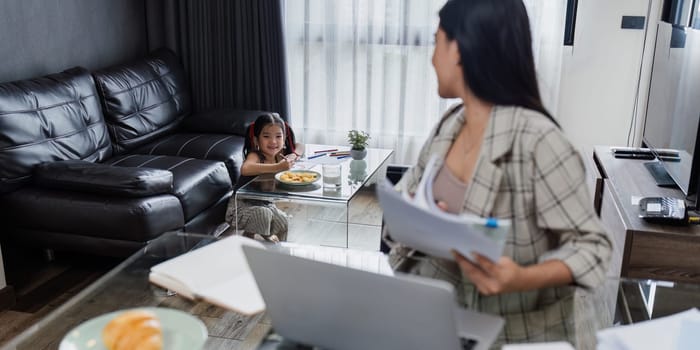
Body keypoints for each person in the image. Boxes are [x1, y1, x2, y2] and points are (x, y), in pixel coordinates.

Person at [382, 0, 612, 347]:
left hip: (517, 335)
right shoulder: (450, 125)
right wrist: (423, 216)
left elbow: (593, 247)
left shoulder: (539, 141)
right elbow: (404, 202)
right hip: (443, 321)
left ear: (457, 49)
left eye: (435, 41)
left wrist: (521, 278)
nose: (431, 57)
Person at [225, 113, 304, 242]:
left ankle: (278, 251)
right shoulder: (256, 156)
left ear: (284, 139)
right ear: (256, 140)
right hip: (239, 208)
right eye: (266, 136)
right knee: (262, 214)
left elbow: (301, 146)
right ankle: (253, 239)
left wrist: (293, 155)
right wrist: (278, 167)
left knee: (283, 221)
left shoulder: (280, 156)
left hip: (266, 205)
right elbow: (245, 169)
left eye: (278, 136)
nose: (273, 141)